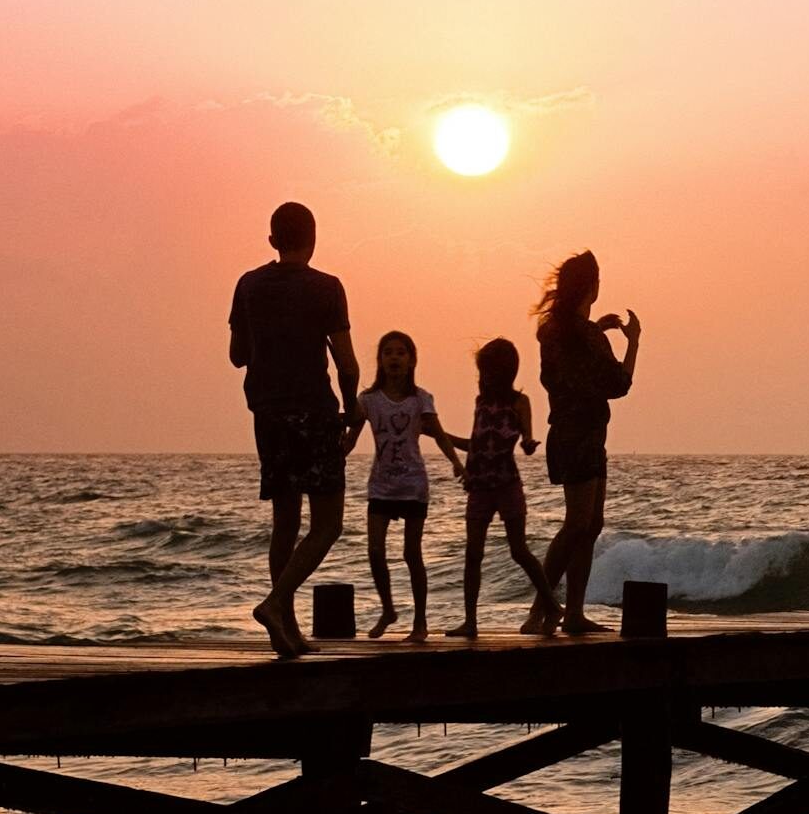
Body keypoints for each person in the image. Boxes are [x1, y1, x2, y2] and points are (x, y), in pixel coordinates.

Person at [229, 202, 359, 658]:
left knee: (285, 521)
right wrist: (352, 412)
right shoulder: (327, 288)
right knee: (328, 524)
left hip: (267, 414)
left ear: (271, 240)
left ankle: (286, 631)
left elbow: (237, 355)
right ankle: (276, 603)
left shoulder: (248, 285)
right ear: (314, 237)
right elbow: (346, 363)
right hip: (314, 414)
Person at [521, 251, 640, 636]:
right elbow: (618, 384)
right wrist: (633, 342)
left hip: (573, 434)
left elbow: (570, 362)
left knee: (590, 524)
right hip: (581, 436)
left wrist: (596, 330)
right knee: (577, 524)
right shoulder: (582, 336)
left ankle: (571, 612)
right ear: (592, 287)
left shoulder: (555, 332)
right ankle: (542, 611)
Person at [343, 330, 466, 643]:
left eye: (401, 352)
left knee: (412, 554)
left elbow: (438, 434)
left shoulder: (420, 398)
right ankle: (388, 609)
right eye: (388, 353)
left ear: (411, 360)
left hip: (413, 484)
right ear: (380, 360)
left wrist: (456, 463)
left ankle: (420, 623)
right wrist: (332, 459)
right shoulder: (368, 400)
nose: (394, 358)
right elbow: (350, 439)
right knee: (374, 550)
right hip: (381, 486)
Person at [444, 338, 562, 639]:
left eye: (486, 370)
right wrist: (441, 436)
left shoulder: (519, 403)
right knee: (473, 553)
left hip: (507, 484)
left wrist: (529, 443)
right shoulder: (480, 402)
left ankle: (551, 604)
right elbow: (476, 445)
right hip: (480, 487)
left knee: (519, 550)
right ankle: (470, 621)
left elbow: (526, 442)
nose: (482, 377)